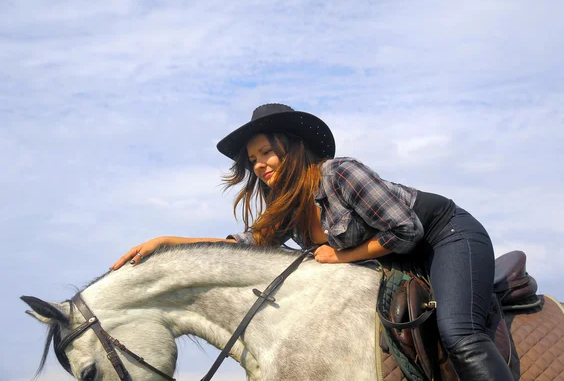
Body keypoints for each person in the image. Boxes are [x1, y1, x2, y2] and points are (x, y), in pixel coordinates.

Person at [110, 103, 513, 380]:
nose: (259, 164)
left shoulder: (339, 173)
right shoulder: (287, 205)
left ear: (294, 148)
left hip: (446, 235)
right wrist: (167, 244)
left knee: (460, 332)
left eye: (266, 151)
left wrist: (342, 256)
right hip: (398, 253)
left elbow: (407, 230)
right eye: (253, 159)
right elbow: (242, 248)